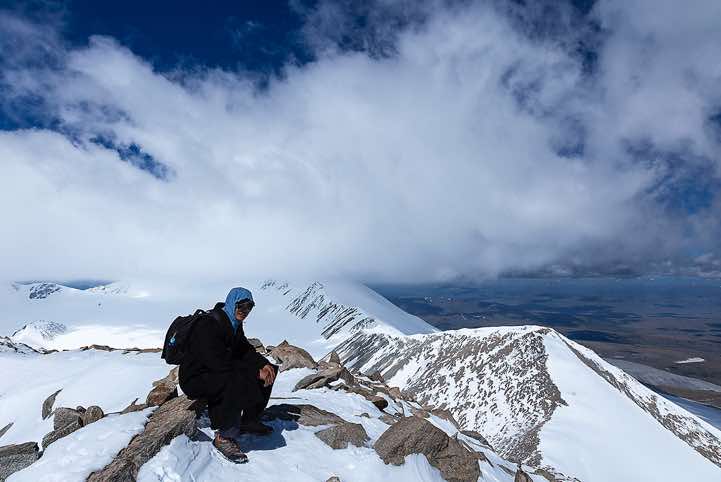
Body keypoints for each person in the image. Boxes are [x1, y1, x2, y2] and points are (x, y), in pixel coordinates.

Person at [179, 287, 278, 464]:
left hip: (213, 371)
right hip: (194, 378)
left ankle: (249, 419)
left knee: (269, 368)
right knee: (234, 378)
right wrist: (255, 371)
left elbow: (244, 350)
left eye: (249, 307)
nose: (245, 311)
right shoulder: (209, 324)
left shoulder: (233, 324)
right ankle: (224, 436)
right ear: (232, 303)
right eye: (241, 306)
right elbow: (216, 362)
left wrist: (262, 364)